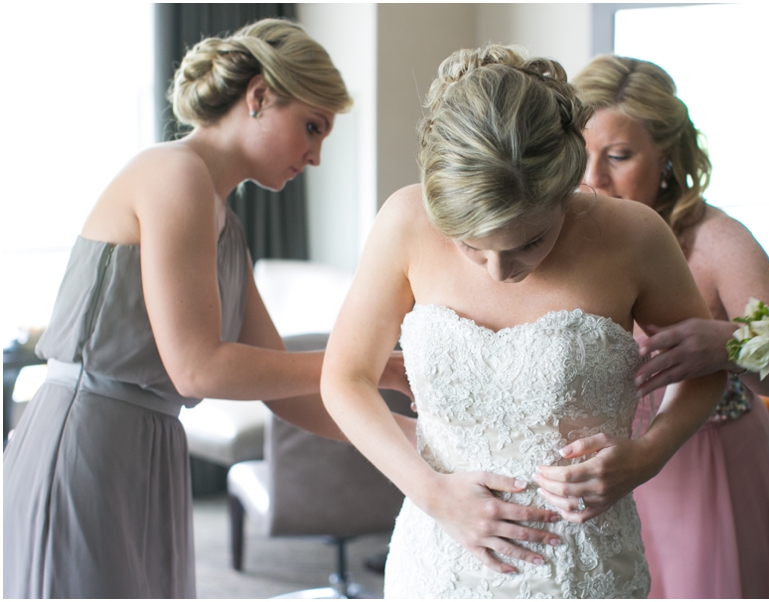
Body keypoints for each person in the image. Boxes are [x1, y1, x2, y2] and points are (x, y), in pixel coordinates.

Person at [3, 18, 412, 599]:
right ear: (260, 96)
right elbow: (196, 368)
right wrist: (362, 367)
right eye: (312, 127)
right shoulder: (174, 174)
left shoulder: (228, 229)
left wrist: (409, 438)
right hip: (88, 441)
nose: (316, 156)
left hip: (149, 448)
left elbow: (283, 390)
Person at [320, 44, 726, 599]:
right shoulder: (404, 222)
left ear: (568, 188)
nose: (500, 268)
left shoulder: (635, 236)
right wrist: (435, 497)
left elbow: (704, 370)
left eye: (530, 241)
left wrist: (647, 456)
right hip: (438, 563)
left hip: (581, 569)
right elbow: (344, 379)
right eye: (471, 246)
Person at [532, 55, 769, 598]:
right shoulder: (564, 235)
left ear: (666, 156)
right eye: (582, 155)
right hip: (600, 479)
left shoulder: (715, 241)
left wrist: (730, 343)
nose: (594, 177)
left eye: (618, 156)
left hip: (707, 469)